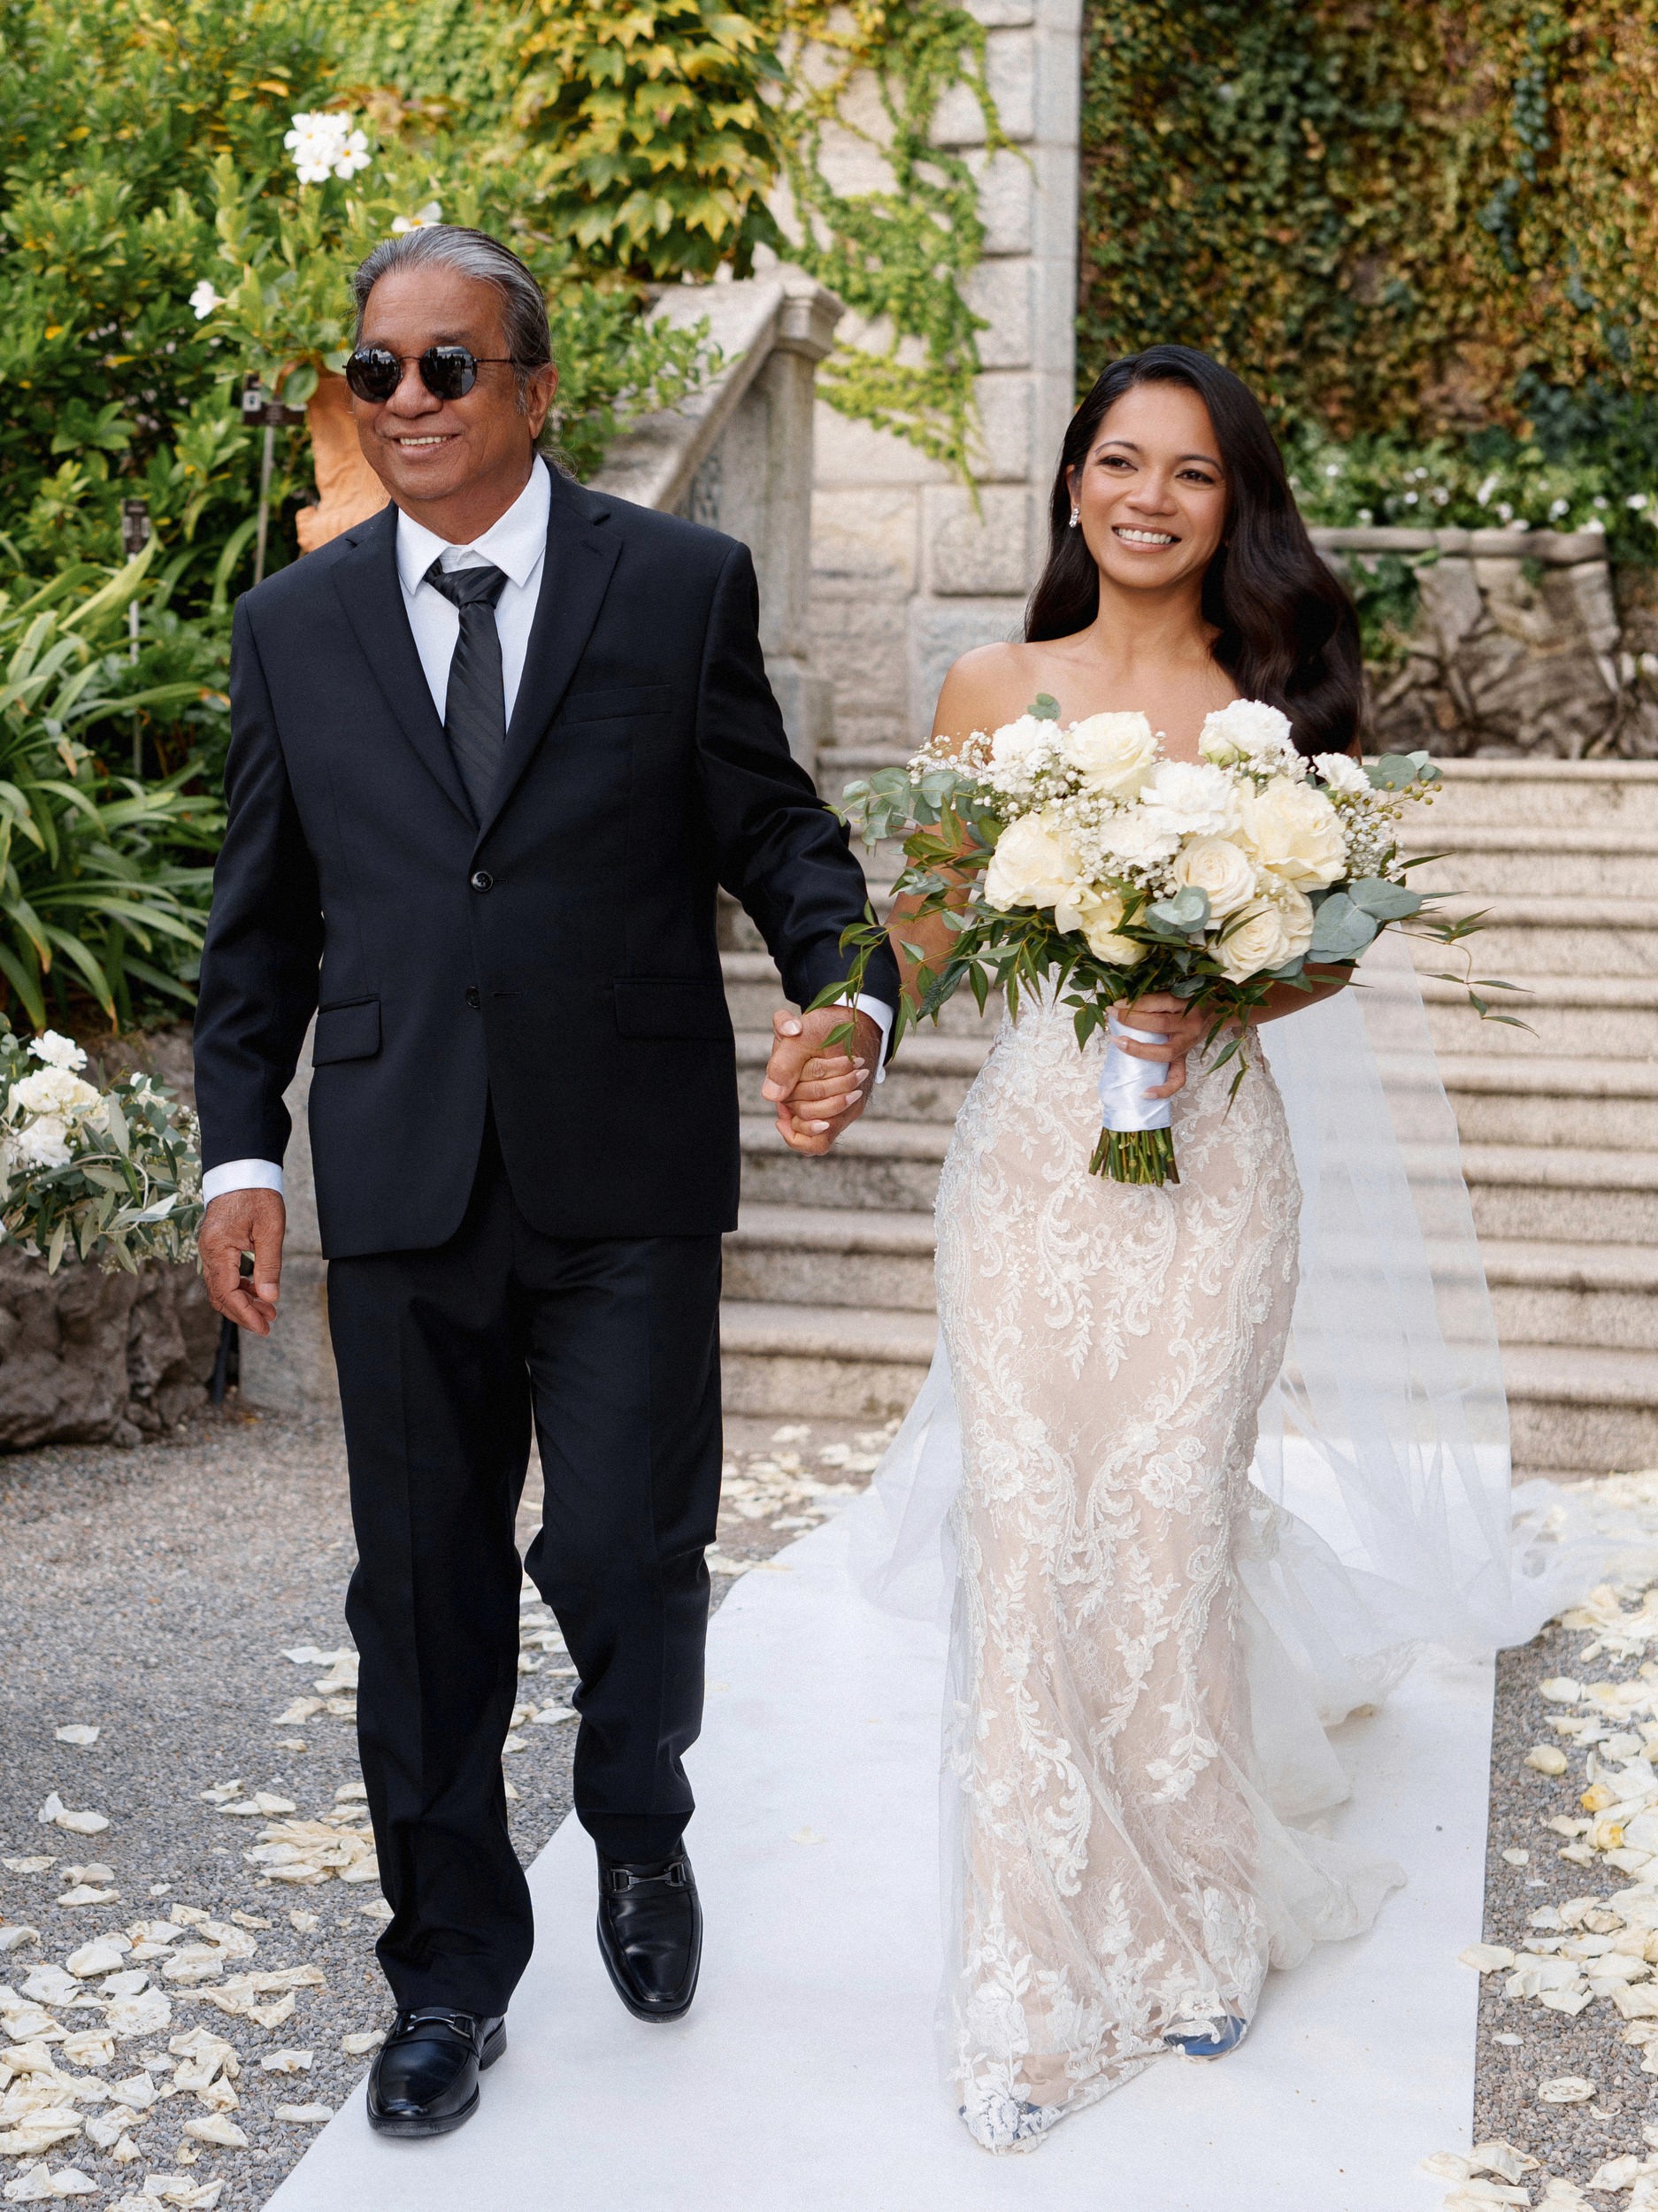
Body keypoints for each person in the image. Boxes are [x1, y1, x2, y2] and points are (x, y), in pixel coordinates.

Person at [191, 223, 899, 2138]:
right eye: (375, 370)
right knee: (420, 1595)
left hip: (626, 1168)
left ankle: (637, 1815)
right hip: (402, 1170)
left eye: (446, 364)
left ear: (534, 386)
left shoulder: (672, 586)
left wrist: (850, 994)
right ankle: (445, 1976)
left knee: (623, 1550)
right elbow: (258, 927)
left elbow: (779, 834)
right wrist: (241, 1152)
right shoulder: (293, 626)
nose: (404, 398)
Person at [870, 344, 1416, 2150]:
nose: (1148, 497)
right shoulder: (990, 686)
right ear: (1073, 484)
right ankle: (1028, 1974)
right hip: (1032, 1165)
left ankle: (1196, 1913)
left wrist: (1216, 987)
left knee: (1168, 1527)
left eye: (1190, 471)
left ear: (1232, 502)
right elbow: (926, 919)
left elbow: (1335, 937)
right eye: (1119, 460)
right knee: (1029, 1543)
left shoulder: (1278, 707)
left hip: (1216, 1164)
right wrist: (844, 1023)